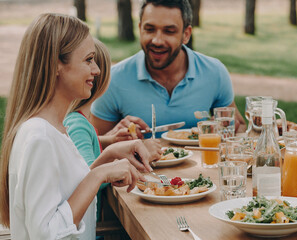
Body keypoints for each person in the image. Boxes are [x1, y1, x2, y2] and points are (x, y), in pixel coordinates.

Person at [0, 13, 146, 239]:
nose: (97, 70)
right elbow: (46, 234)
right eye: (88, 60)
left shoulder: (53, 129)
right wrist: (98, 175)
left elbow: (65, 194)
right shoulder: (39, 137)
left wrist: (109, 156)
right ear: (56, 65)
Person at [91, 0, 246, 138]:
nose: (157, 40)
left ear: (186, 35)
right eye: (150, 29)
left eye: (169, 31)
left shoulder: (214, 72)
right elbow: (90, 145)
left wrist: (227, 129)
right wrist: (112, 136)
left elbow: (238, 127)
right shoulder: (114, 79)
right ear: (140, 29)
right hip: (139, 170)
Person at [64, 38, 162, 222]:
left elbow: (78, 150)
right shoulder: (77, 124)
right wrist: (116, 160)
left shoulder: (80, 121)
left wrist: (109, 140)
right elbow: (86, 181)